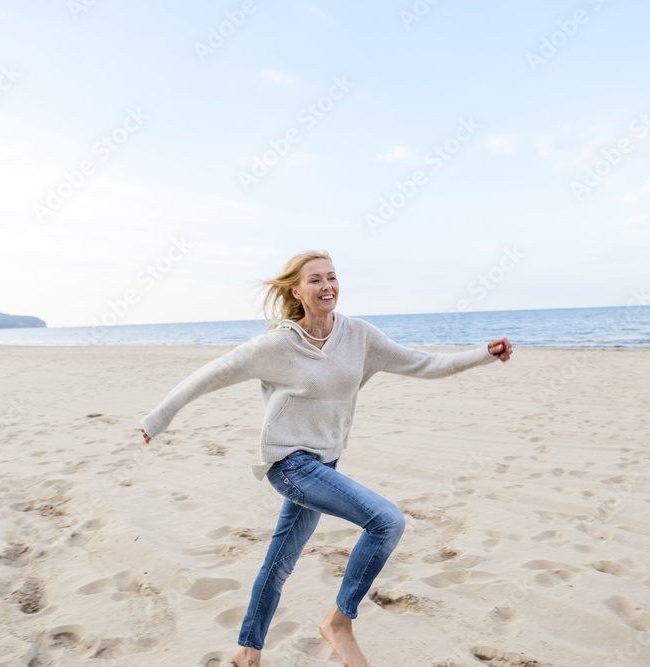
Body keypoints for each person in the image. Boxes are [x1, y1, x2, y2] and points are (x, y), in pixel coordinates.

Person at [139, 250, 512, 666]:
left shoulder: (359, 337)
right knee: (386, 521)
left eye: (331, 277)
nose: (326, 286)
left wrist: (483, 354)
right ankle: (339, 622)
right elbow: (212, 374)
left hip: (324, 466)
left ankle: (247, 652)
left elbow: (423, 363)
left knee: (278, 564)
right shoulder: (277, 345)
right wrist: (160, 417)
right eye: (315, 279)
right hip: (290, 466)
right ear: (297, 291)